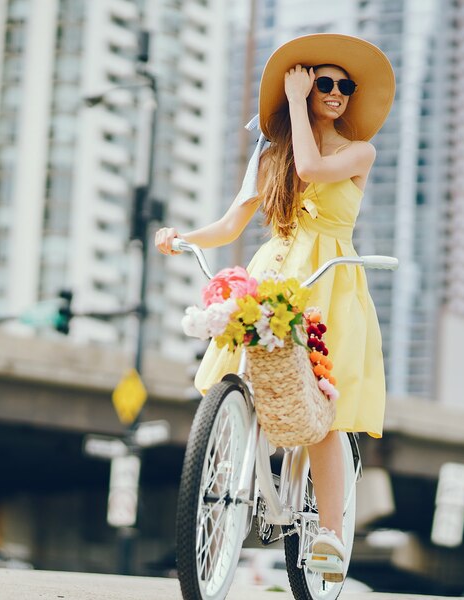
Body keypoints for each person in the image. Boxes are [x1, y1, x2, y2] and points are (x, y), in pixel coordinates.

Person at [155, 33, 395, 582]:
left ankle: (330, 535)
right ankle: (241, 473)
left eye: (343, 86)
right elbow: (230, 225)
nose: (335, 93)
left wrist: (293, 103)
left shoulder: (358, 150)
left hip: (328, 280)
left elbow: (311, 171)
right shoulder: (269, 157)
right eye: (323, 83)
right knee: (243, 373)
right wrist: (180, 237)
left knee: (324, 412)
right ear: (308, 87)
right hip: (274, 274)